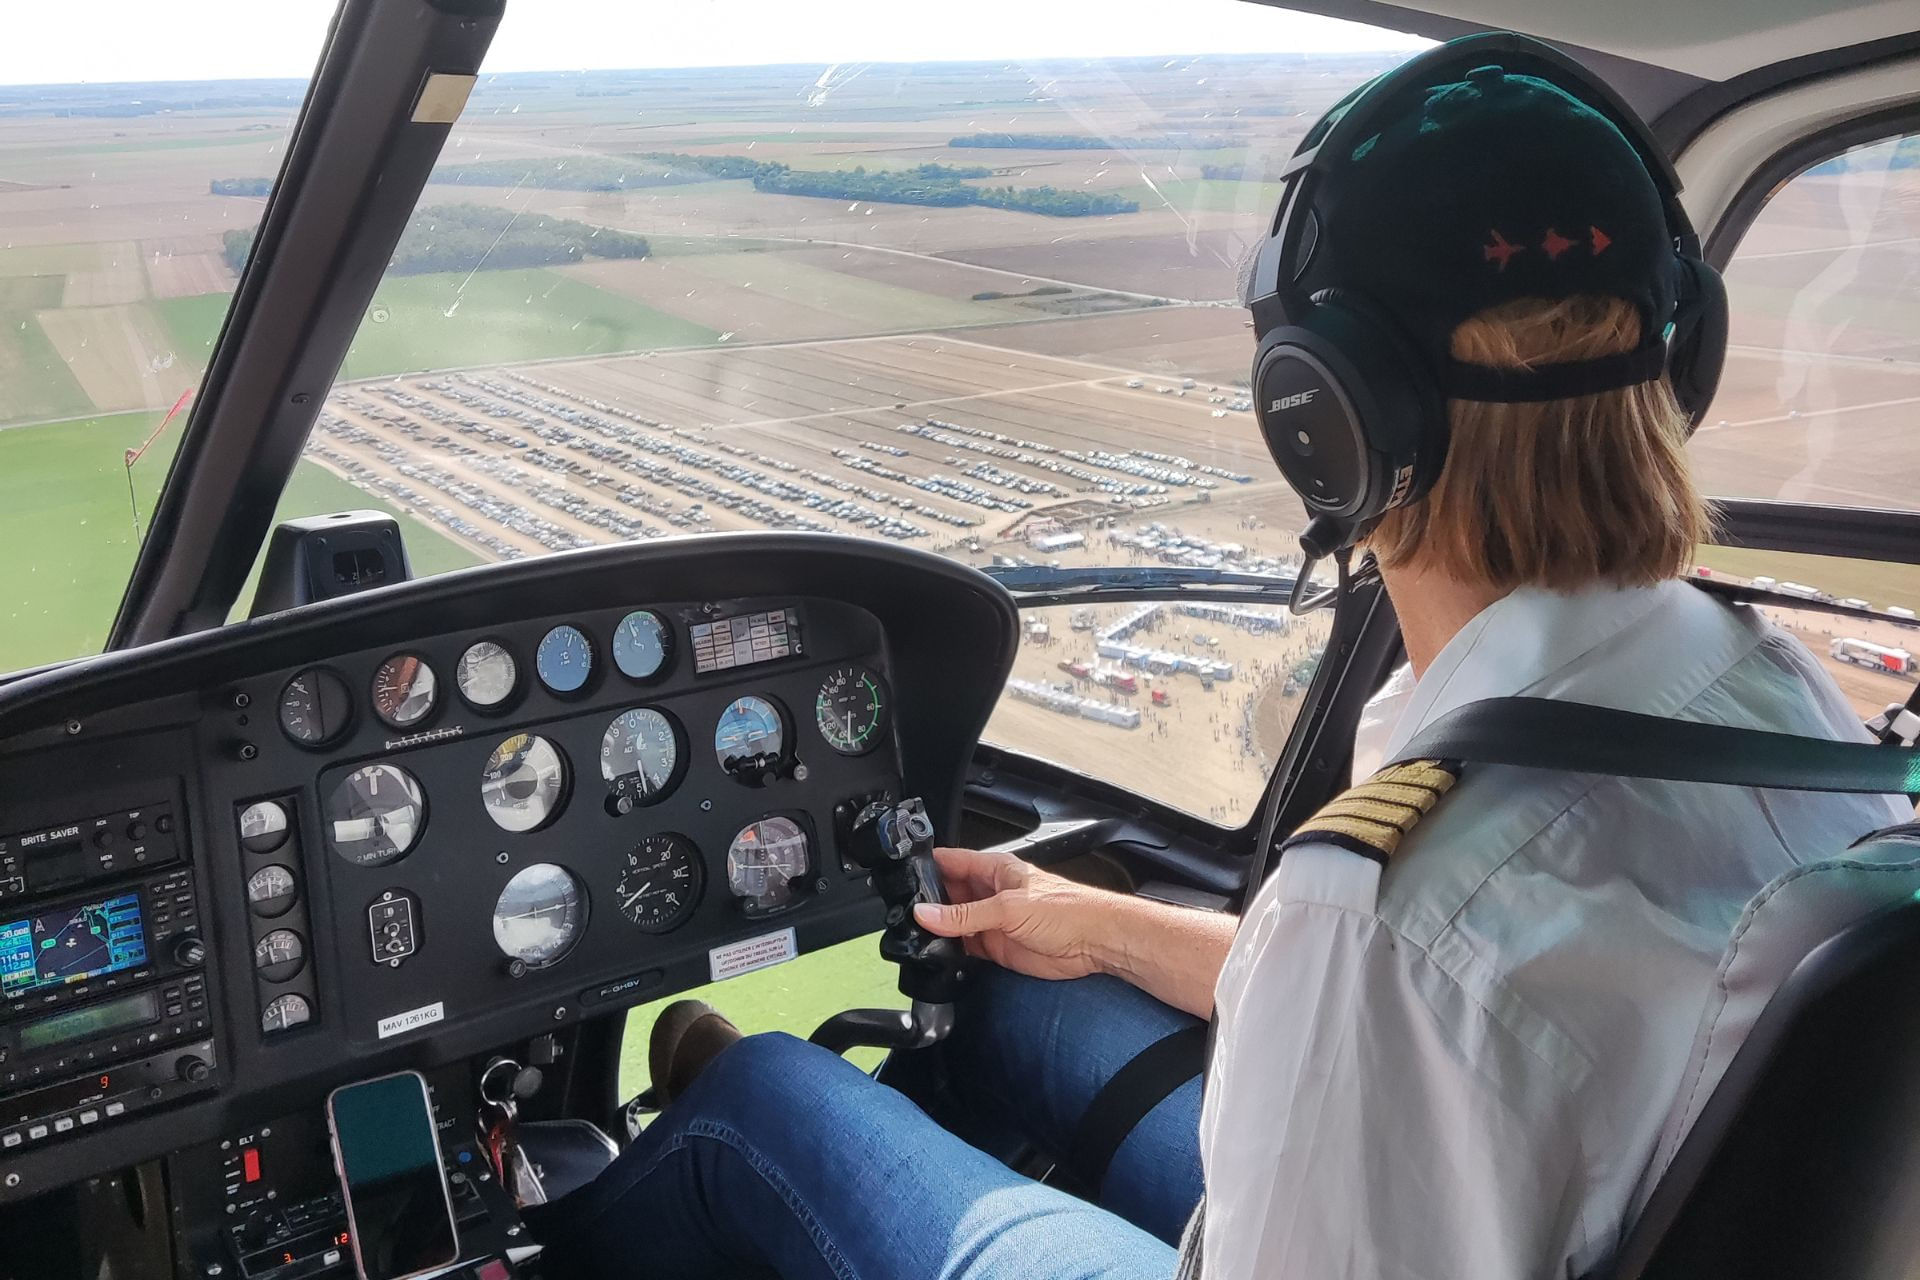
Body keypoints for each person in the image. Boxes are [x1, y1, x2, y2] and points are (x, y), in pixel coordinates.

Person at [522, 45, 1906, 1280]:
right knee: (1009, 994)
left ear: (1325, 420)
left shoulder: (1385, 910)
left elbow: (1414, 970)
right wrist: (1096, 924)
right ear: (1687, 357)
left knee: (766, 1099)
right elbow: (1498, 1000)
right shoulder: (1775, 690)